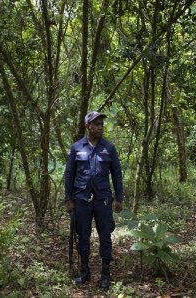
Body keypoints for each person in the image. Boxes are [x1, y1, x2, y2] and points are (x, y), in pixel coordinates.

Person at [64, 111, 123, 288]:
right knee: (83, 235)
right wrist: (68, 199)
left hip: (103, 199)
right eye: (96, 124)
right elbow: (69, 174)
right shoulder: (76, 147)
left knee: (105, 236)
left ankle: (105, 273)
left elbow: (117, 173)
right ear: (87, 126)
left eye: (101, 124)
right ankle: (85, 271)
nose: (100, 127)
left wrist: (118, 198)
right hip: (81, 199)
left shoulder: (109, 148)